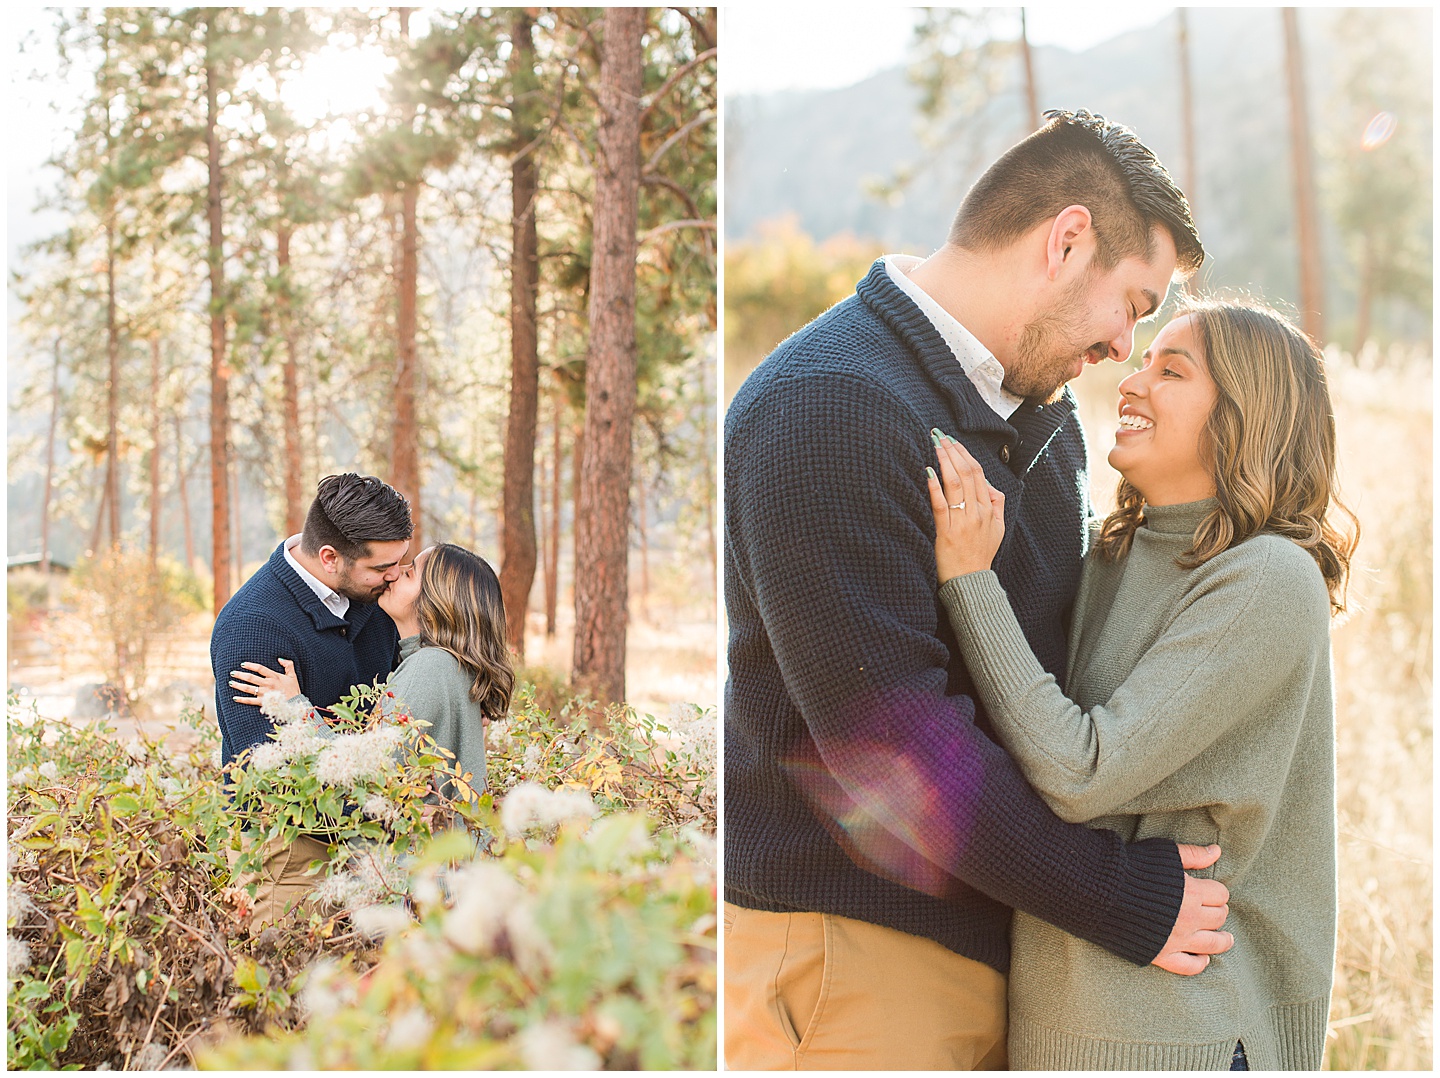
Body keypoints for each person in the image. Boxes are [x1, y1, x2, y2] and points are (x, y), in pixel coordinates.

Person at [723, 109, 1231, 1070]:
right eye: (1133, 302)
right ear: (1067, 240)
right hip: (855, 955)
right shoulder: (827, 406)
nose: (1127, 346)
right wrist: (1118, 895)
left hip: (1000, 940)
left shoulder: (1041, 419)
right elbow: (894, 746)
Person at [925, 299, 1355, 1069]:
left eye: (1172, 370)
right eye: (1142, 360)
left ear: (1245, 417)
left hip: (1179, 1035)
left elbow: (1081, 771)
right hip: (1064, 1025)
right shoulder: (1116, 552)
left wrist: (969, 581)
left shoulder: (1266, 578)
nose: (1132, 381)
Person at [210, 472, 411, 926]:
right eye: (382, 568)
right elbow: (273, 773)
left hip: (372, 839)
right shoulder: (254, 626)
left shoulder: (373, 597)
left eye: (401, 562)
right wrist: (388, 807)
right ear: (329, 557)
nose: (396, 576)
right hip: (290, 852)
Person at [228, 542, 514, 809]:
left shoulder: (429, 667)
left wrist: (295, 706)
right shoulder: (445, 665)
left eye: (409, 572)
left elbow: (370, 774)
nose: (394, 575)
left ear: (436, 603)